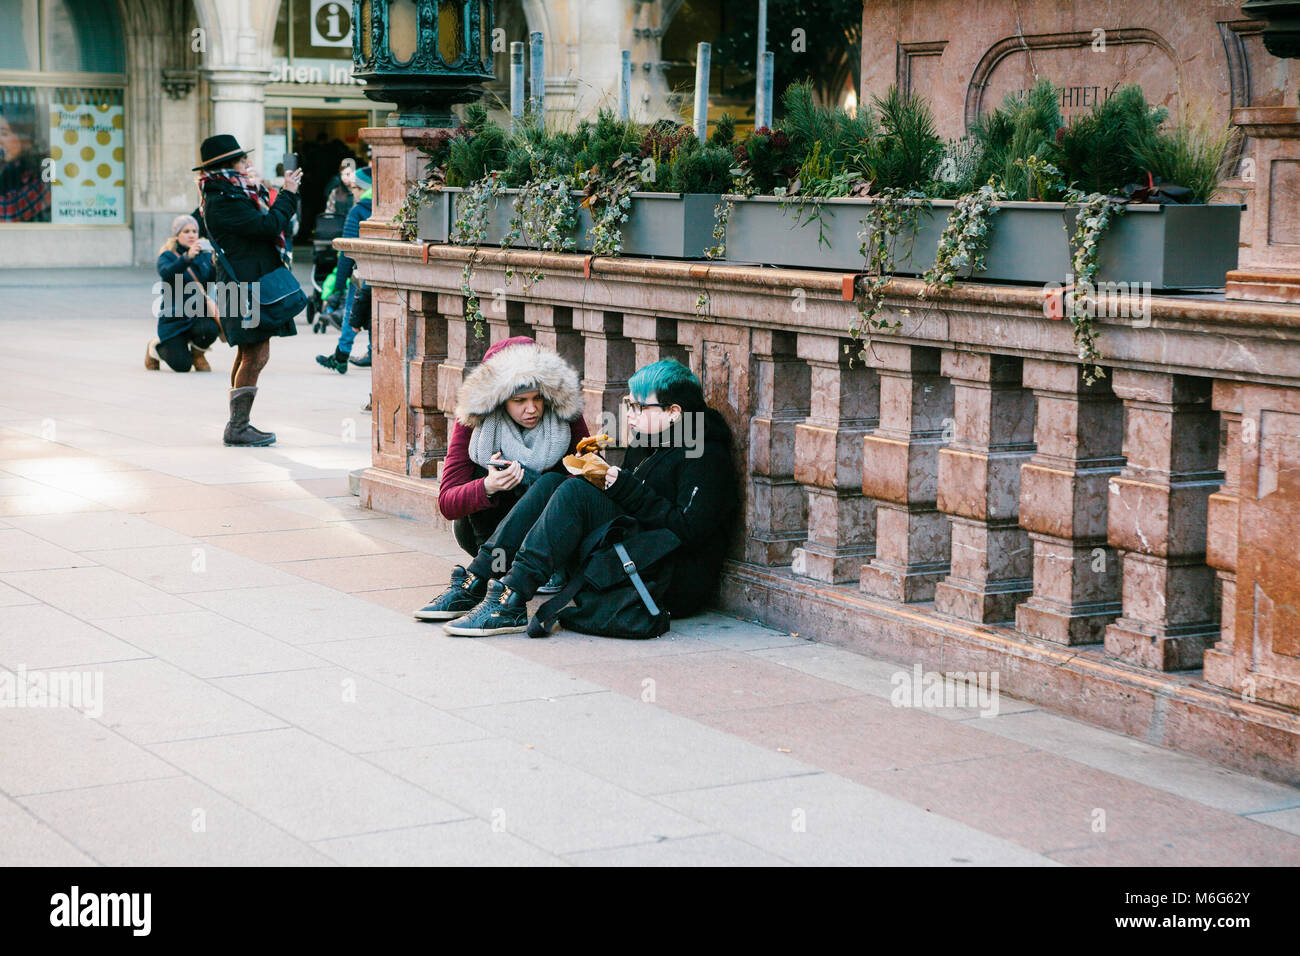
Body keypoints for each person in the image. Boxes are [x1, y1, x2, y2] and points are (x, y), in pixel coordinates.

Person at [435, 358, 737, 637]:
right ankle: (478, 578)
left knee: (574, 492)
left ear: (674, 413)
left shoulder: (706, 454)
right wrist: (600, 475)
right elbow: (633, 502)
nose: (629, 415)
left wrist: (624, 487)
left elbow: (688, 530)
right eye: (628, 404)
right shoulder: (649, 438)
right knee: (555, 481)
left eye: (638, 407)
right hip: (634, 551)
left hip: (668, 579)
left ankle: (513, 595)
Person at [413, 336, 590, 622]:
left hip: (554, 536)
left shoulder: (565, 413)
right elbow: (447, 502)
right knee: (479, 474)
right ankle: (495, 573)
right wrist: (488, 486)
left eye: (537, 399)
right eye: (519, 401)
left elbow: (592, 478)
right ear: (497, 400)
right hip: (492, 536)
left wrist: (538, 480)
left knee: (550, 483)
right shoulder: (473, 422)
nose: (531, 409)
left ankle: (477, 580)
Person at [195, 134, 302, 447]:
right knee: (256, 354)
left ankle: (238, 425)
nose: (249, 164)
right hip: (243, 285)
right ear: (228, 166)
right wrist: (289, 193)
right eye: (243, 161)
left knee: (248, 352)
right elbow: (269, 227)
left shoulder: (230, 192)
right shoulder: (223, 199)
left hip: (243, 281)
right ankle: (238, 427)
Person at [146, 214, 221, 373]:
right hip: (173, 320)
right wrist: (187, 257)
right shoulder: (167, 255)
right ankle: (156, 348)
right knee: (182, 366)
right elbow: (167, 273)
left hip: (196, 314)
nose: (192, 235)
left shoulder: (203, 256)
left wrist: (214, 264)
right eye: (186, 231)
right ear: (177, 235)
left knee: (210, 329)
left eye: (194, 231)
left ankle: (198, 354)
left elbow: (208, 284)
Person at [316, 165, 373, 372]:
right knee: (376, 314)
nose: (352, 193)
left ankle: (341, 355)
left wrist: (338, 286)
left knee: (352, 311)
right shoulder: (388, 207)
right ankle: (371, 351)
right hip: (384, 271)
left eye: (354, 189)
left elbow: (346, 252)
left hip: (361, 273)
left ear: (362, 189)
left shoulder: (358, 210)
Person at [0, 104, 50, 222]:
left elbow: (11, 211)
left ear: (24, 137)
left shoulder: (44, 166)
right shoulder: (7, 167)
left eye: (4, 134)